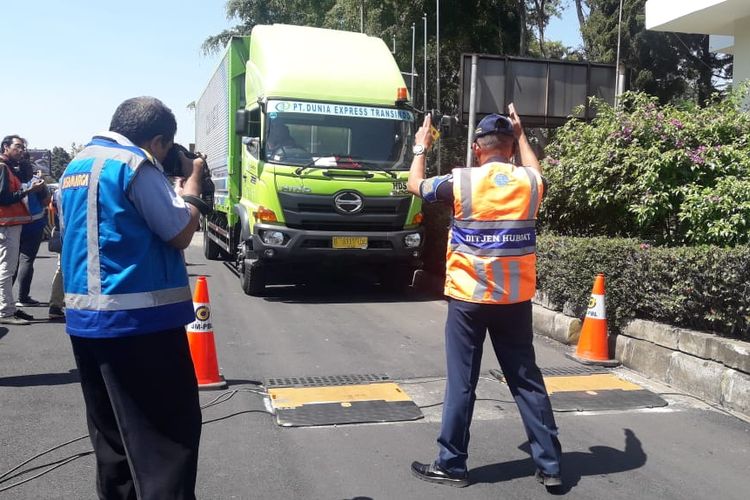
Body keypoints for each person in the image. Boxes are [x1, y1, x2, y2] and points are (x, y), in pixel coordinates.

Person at [407, 105, 563, 491]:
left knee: (463, 382)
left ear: (477, 148)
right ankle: (550, 465)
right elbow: (535, 169)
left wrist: (420, 147)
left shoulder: (461, 182)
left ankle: (452, 463)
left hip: (468, 301)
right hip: (515, 301)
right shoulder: (530, 183)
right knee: (526, 381)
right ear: (510, 148)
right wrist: (522, 133)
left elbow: (415, 185)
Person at [59, 96, 205, 499]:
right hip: (142, 325)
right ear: (157, 141)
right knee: (166, 441)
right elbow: (178, 231)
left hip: (87, 324)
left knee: (113, 443)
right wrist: (191, 189)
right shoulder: (133, 164)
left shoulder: (77, 166)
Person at [0, 135, 46, 325]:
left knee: (9, 267)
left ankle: (9, 306)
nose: (21, 151)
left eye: (22, 147)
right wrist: (29, 190)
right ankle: (5, 311)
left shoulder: (8, 168)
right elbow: (4, 198)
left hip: (11, 224)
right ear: (5, 147)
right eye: (17, 147)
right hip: (6, 225)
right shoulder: (3, 167)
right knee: (7, 269)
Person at [13, 151, 51, 307]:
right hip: (34, 224)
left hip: (13, 224)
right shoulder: (38, 182)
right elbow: (46, 201)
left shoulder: (11, 181)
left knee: (11, 263)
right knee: (27, 260)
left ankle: (5, 298)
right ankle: (23, 297)